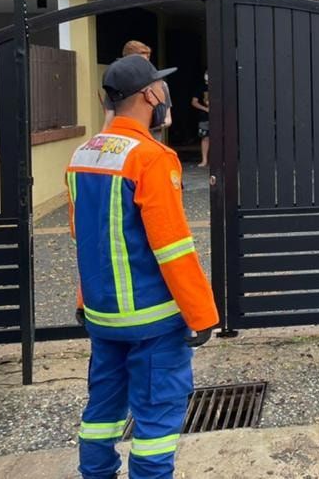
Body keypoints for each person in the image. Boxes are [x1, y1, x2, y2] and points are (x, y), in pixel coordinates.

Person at [68, 54, 219, 479]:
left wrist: (85, 300)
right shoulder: (152, 158)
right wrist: (202, 313)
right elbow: (172, 248)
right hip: (151, 320)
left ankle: (96, 473)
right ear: (151, 94)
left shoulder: (83, 154)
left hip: (102, 315)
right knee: (156, 416)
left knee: (102, 409)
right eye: (160, 86)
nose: (163, 93)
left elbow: (85, 239)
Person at [101, 41, 173, 132]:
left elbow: (167, 119)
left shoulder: (160, 85)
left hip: (151, 139)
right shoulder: (116, 88)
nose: (145, 63)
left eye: (147, 58)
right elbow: (108, 121)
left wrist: (150, 124)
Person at [191, 71, 210, 168]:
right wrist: (206, 109)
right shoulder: (200, 87)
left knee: (219, 138)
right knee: (205, 138)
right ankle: (204, 160)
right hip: (204, 117)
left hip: (219, 117)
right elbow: (194, 102)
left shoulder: (220, 85)